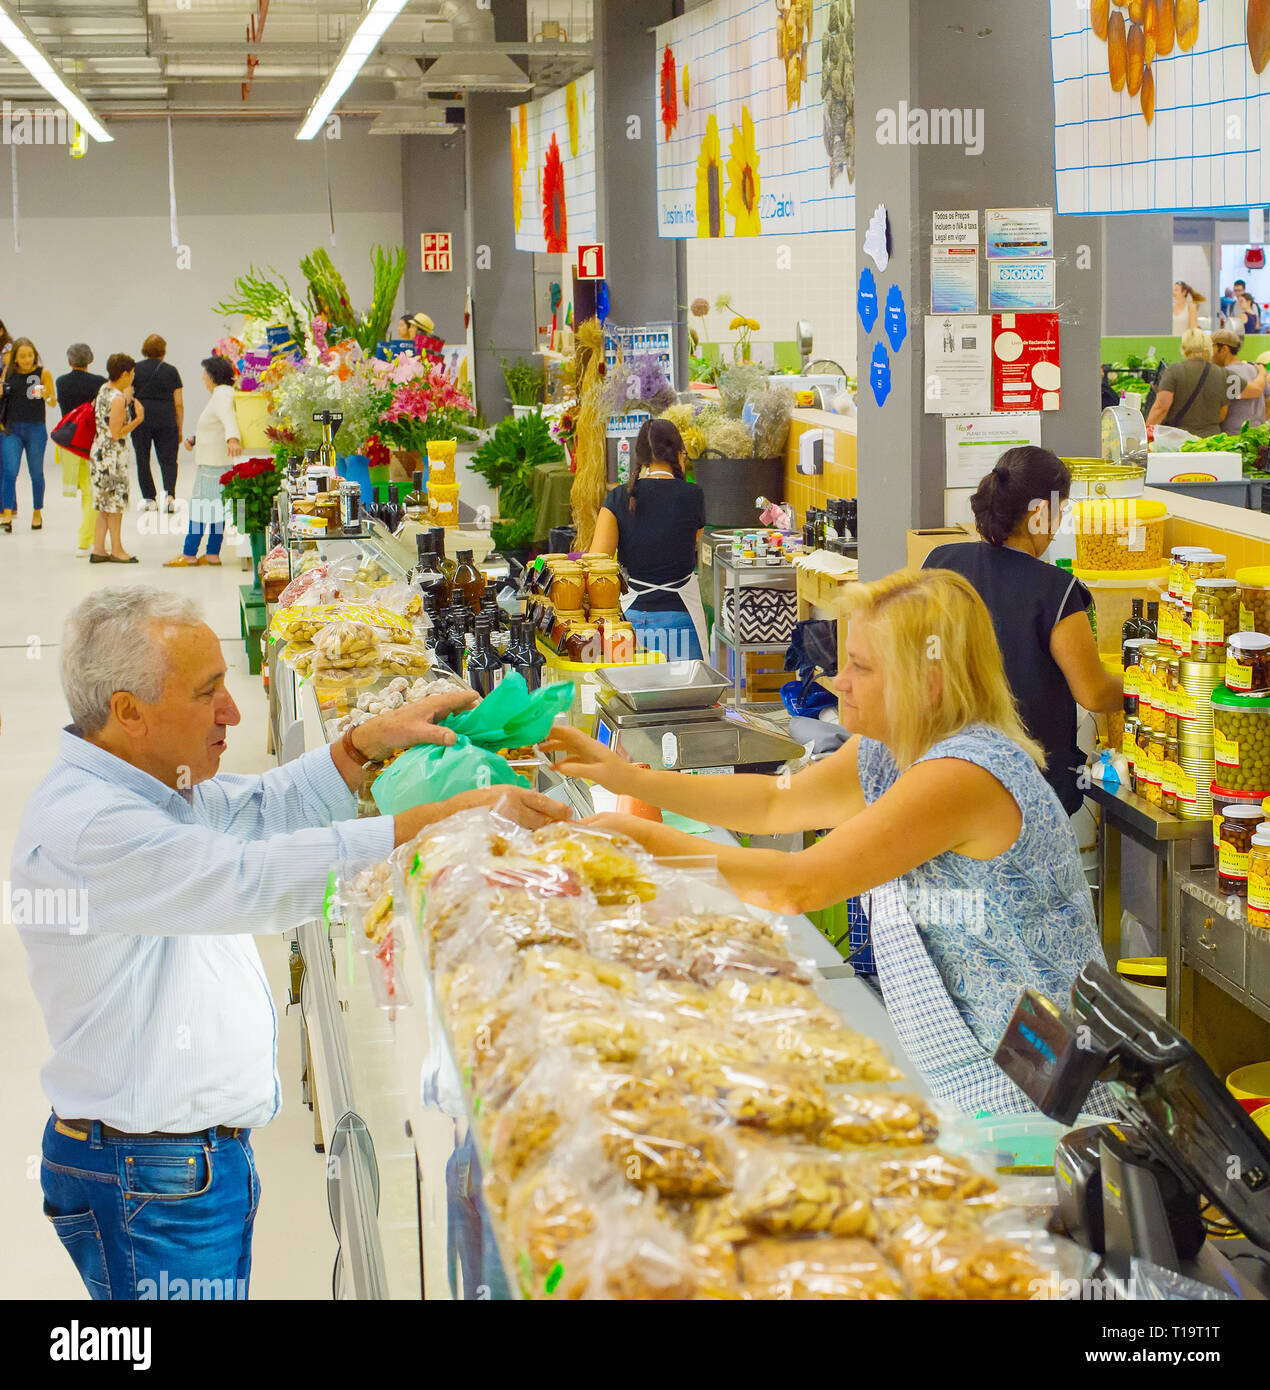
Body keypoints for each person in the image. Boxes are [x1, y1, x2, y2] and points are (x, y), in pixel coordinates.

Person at [13, 587, 569, 1301]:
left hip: (178, 1168)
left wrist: (359, 747)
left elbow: (259, 812)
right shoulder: (93, 827)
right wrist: (434, 824)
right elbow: (251, 880)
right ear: (129, 712)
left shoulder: (152, 786)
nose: (232, 712)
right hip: (148, 1178)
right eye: (208, 692)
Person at [543, 569, 1112, 1113]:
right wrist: (626, 778)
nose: (837, 682)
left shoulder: (963, 774)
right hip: (986, 1058)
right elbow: (777, 804)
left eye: (861, 667)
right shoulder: (890, 749)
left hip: (1048, 1083)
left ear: (929, 682)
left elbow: (798, 885)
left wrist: (638, 839)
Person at [923, 447, 1121, 815]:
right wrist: (1151, 691)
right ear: (1039, 513)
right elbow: (1093, 694)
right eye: (1060, 511)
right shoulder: (1056, 591)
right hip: (1028, 785)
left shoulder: (938, 562)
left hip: (944, 765)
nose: (1059, 523)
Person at [589, 418, 707, 661]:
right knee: (684, 696)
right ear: (679, 454)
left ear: (639, 456)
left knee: (630, 696)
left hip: (627, 623)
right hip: (681, 618)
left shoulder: (618, 498)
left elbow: (596, 564)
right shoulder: (693, 495)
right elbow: (692, 541)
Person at [167, 355, 238, 567]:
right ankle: (213, 554)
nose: (203, 379)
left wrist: (233, 438)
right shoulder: (224, 393)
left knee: (200, 509)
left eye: (205, 374)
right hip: (218, 462)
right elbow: (216, 425)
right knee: (217, 510)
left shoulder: (222, 395)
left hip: (212, 466)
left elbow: (228, 419)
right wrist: (195, 439)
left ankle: (189, 554)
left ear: (213, 376)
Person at [88, 354, 142, 564]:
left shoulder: (104, 390)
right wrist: (138, 419)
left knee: (103, 505)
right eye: (132, 373)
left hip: (99, 453)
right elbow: (117, 432)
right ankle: (117, 549)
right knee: (115, 506)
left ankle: (99, 548)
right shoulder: (117, 399)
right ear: (125, 373)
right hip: (112, 458)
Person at [0, 336, 57, 532]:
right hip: (12, 428)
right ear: (15, 358)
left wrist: (46, 394)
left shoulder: (43, 373)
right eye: (22, 356)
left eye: (30, 355)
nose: (27, 360)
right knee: (9, 471)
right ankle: (7, 513)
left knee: (36, 473)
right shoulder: (8, 372)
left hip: (35, 428)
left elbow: (52, 401)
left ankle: (37, 511)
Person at [54, 344, 107, 558]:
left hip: (68, 442)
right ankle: (86, 540)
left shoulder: (61, 382)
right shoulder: (100, 382)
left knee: (86, 490)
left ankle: (91, 538)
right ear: (90, 359)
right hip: (91, 441)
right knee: (91, 492)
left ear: (69, 360)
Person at [131, 334, 183, 514]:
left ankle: (149, 499)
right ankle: (169, 496)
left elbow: (128, 395)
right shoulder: (171, 371)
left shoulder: (134, 370)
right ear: (164, 351)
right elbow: (179, 403)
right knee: (168, 459)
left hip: (141, 418)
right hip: (166, 418)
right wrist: (179, 427)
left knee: (142, 458)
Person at [1146, 328, 1230, 437]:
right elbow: (1223, 414)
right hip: (1211, 440)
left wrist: (1145, 434)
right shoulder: (1223, 373)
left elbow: (1161, 407)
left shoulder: (1174, 370)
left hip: (1180, 440)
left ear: (1184, 347)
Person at [1211, 329, 1269, 432]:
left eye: (1212, 348)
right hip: (1258, 434)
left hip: (1234, 437)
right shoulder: (1255, 370)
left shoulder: (1226, 374)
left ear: (1224, 349)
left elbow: (1221, 413)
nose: (1210, 354)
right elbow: (1268, 399)